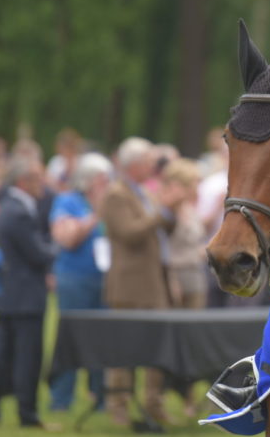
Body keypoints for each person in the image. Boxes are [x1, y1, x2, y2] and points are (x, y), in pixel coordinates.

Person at [102, 137, 176, 427]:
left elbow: (160, 230)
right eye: (148, 160)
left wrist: (169, 212)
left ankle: (153, 403)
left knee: (156, 347)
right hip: (129, 286)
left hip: (154, 283)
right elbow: (130, 233)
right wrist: (161, 212)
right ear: (133, 164)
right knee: (124, 349)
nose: (153, 166)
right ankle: (118, 405)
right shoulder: (115, 194)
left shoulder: (144, 192)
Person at [0, 154, 56, 428]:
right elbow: (37, 253)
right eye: (38, 177)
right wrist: (56, 244)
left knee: (3, 355)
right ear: (23, 181)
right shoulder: (19, 210)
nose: (43, 183)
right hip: (25, 295)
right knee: (27, 356)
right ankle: (28, 413)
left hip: (10, 292)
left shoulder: (9, 206)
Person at [48, 152, 114, 414]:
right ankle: (61, 398)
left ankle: (101, 398)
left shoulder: (111, 203)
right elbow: (66, 238)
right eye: (102, 179)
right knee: (71, 337)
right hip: (74, 279)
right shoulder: (68, 201)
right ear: (89, 179)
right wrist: (95, 215)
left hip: (105, 279)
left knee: (103, 339)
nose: (107, 183)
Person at [160, 157, 207, 417]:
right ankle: (162, 396)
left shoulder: (189, 208)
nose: (197, 187)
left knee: (192, 343)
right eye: (193, 182)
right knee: (173, 342)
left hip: (196, 279)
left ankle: (189, 397)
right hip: (178, 279)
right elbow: (165, 251)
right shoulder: (169, 211)